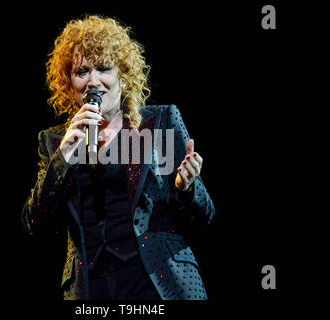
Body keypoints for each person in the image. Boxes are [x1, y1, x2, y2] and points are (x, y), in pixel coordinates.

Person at [21, 15, 215, 300]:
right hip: (92, 291)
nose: (93, 81)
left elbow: (206, 215)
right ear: (68, 83)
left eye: (103, 68)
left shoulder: (159, 122)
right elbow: (33, 223)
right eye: (82, 71)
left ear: (122, 76)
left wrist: (186, 188)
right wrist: (63, 157)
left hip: (159, 285)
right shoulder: (53, 142)